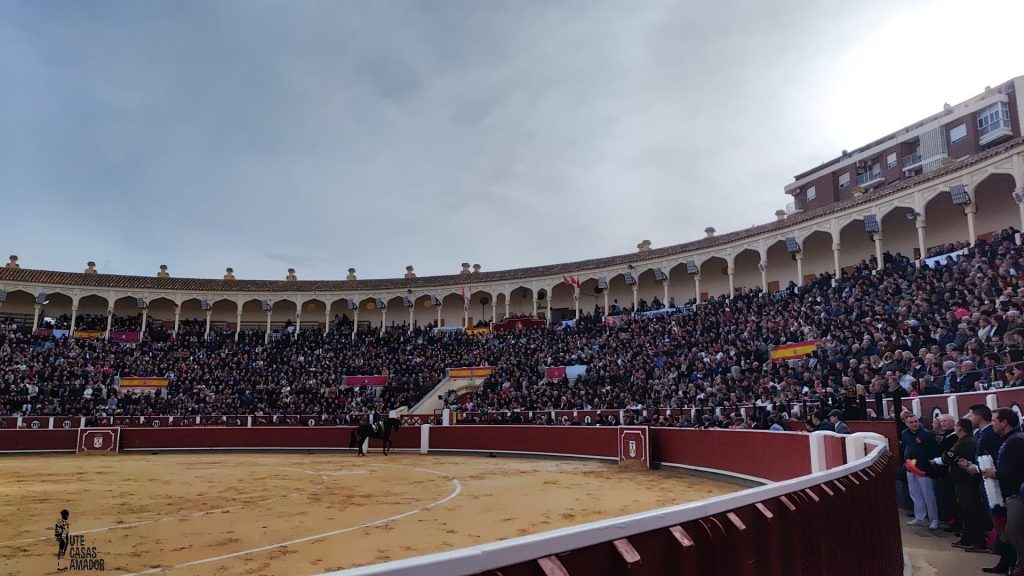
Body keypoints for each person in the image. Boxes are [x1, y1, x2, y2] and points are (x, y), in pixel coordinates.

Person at [945, 418, 986, 552]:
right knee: (967, 510)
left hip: (966, 482)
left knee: (969, 511)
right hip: (965, 481)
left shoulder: (964, 442)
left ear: (960, 428)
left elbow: (948, 456)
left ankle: (975, 541)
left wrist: (950, 457)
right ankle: (968, 538)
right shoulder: (968, 440)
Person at [902, 413, 941, 529]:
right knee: (915, 493)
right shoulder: (904, 434)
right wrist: (906, 462)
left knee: (929, 495)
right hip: (910, 467)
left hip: (924, 468)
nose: (914, 424)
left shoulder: (927, 435)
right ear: (906, 423)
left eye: (915, 421)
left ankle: (934, 519)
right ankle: (919, 516)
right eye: (911, 422)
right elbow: (906, 448)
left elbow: (933, 452)